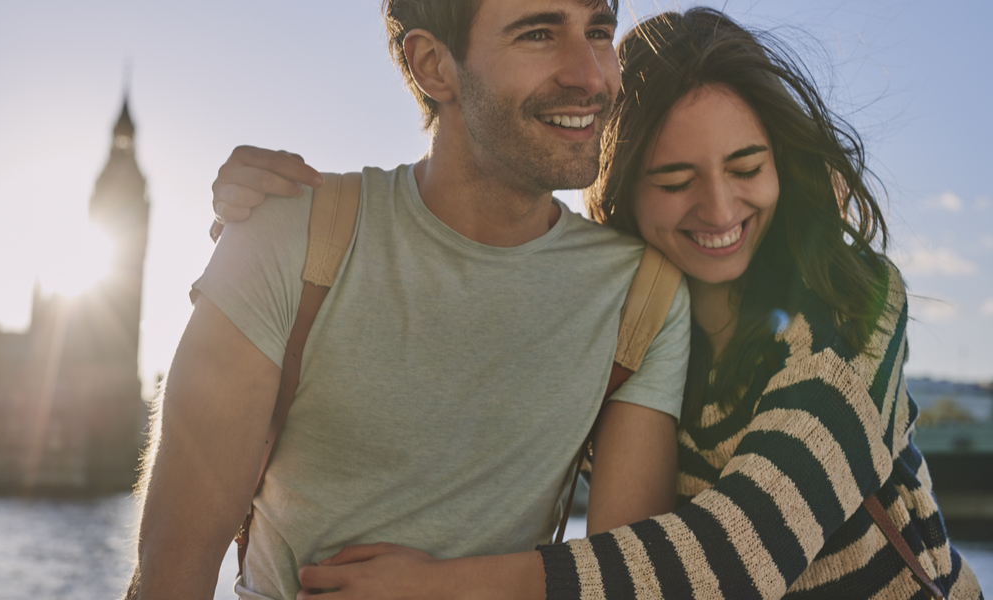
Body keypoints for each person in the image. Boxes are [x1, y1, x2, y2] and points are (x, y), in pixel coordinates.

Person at [213, 7, 984, 600]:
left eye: (747, 167)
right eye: (676, 181)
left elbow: (744, 553)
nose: (719, 209)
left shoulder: (855, 304)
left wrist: (440, 585)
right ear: (623, 194)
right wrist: (274, 228)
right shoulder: (617, 318)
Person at [126, 1, 693, 599]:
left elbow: (624, 581)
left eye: (599, 31)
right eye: (538, 34)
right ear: (433, 65)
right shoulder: (289, 235)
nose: (591, 74)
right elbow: (169, 577)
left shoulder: (642, 299)